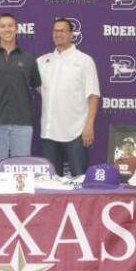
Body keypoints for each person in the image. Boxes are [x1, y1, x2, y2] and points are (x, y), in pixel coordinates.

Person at [0, 13, 41, 170]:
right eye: (3, 26)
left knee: (22, 170)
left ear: (17, 29)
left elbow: (39, 87)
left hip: (23, 123)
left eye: (10, 25)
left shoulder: (29, 58)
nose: (7, 29)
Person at [37, 18, 100, 176]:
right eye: (56, 31)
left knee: (80, 179)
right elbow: (37, 87)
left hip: (76, 131)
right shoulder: (42, 61)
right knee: (50, 183)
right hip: (49, 131)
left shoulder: (84, 60)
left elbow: (93, 94)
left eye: (63, 30)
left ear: (71, 34)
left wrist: (89, 125)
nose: (59, 34)